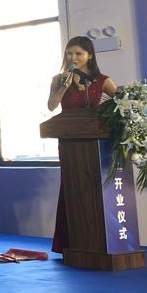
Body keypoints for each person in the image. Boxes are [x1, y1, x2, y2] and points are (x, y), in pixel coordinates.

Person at [46, 35, 118, 253]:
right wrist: (63, 88)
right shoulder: (58, 79)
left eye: (78, 53)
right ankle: (71, 242)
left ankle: (100, 240)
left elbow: (123, 103)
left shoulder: (102, 80)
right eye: (69, 53)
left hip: (96, 145)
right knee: (72, 186)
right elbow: (51, 106)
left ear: (90, 56)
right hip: (69, 143)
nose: (73, 57)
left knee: (95, 187)